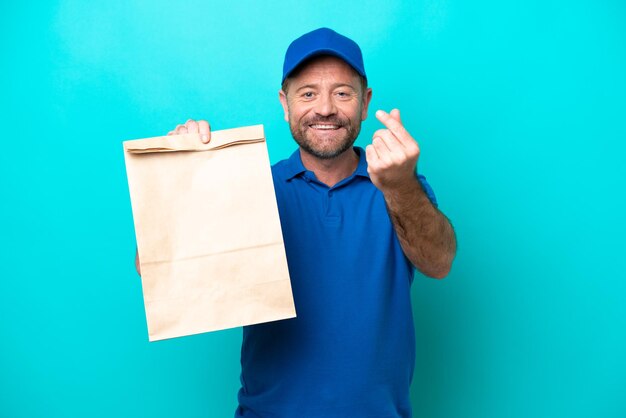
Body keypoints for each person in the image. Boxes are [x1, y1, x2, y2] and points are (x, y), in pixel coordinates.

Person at [136, 27, 456, 418]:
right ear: (284, 104)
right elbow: (156, 272)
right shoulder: (251, 187)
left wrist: (400, 186)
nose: (325, 108)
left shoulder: (399, 186)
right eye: (308, 93)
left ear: (365, 101)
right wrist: (186, 178)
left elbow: (440, 262)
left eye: (342, 93)